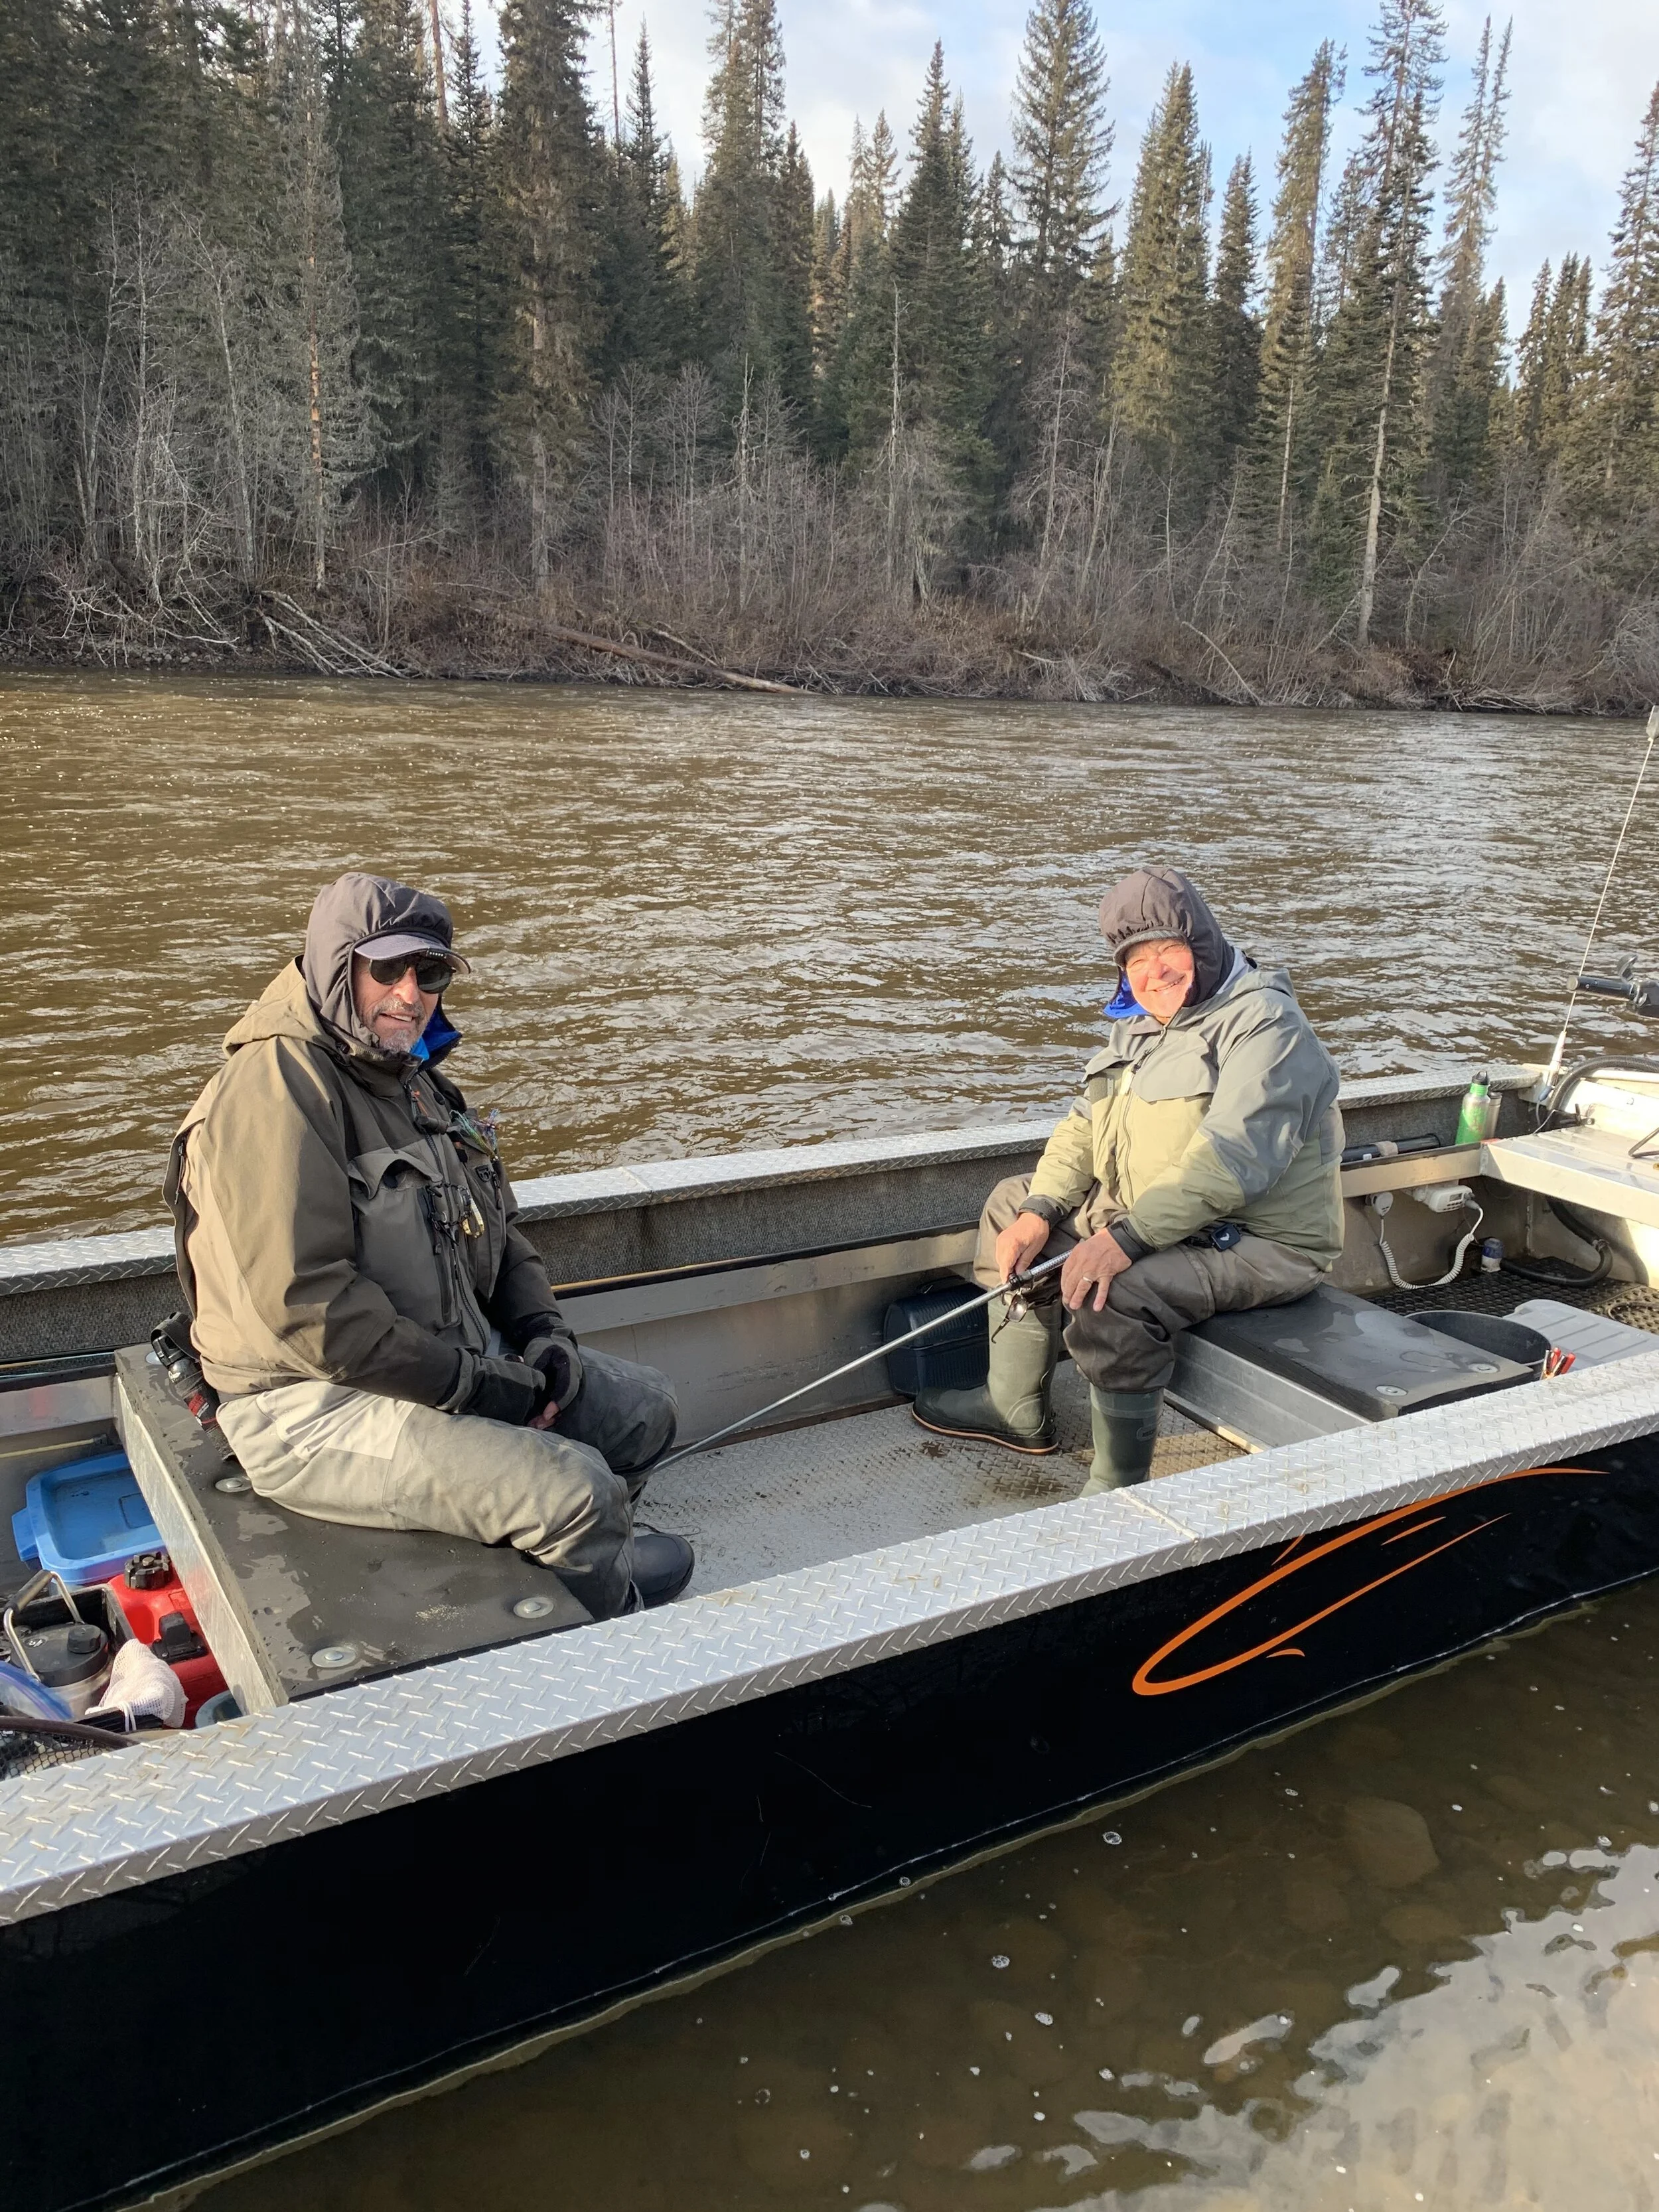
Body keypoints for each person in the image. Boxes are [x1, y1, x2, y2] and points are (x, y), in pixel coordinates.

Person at [165, 871, 691, 1621]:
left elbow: (500, 1232)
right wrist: (475, 1387)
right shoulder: (275, 1086)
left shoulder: (418, 1082)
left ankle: (578, 1556)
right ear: (335, 965)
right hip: (308, 1404)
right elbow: (306, 1308)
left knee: (644, 1411)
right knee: (575, 1491)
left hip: (447, 1354)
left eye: (430, 972)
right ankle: (592, 1628)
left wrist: (544, 1335)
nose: (409, 994)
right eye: (386, 969)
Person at [912, 867, 1344, 1491]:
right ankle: (1015, 1408)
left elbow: (1229, 1164)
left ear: (1203, 943)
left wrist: (1124, 1241)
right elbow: (1082, 1128)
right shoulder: (1139, 1027)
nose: (1155, 972)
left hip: (1261, 1243)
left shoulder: (1267, 1026)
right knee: (1010, 1204)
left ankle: (1118, 1486)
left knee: (1118, 1289)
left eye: (1169, 949)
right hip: (1159, 1217)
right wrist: (1041, 1207)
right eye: (1135, 959)